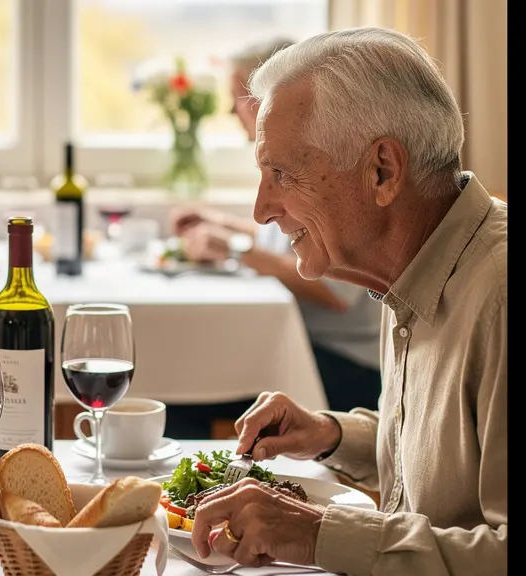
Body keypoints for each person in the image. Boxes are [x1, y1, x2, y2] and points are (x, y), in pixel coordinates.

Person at [185, 28, 506, 576]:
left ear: (382, 170)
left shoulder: (498, 295)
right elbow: (453, 462)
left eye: (281, 173)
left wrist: (316, 534)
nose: (261, 209)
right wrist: (332, 434)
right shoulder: (407, 264)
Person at [169, 37, 383, 414]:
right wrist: (220, 224)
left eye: (236, 95)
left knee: (195, 383)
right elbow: (283, 236)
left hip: (349, 364)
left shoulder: (321, 165)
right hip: (315, 344)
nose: (230, 111)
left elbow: (335, 292)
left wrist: (239, 250)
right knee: (198, 359)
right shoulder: (282, 163)